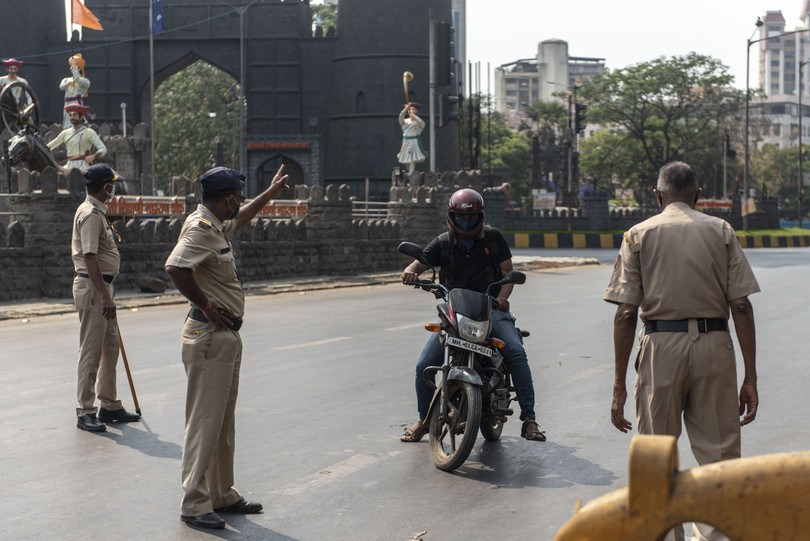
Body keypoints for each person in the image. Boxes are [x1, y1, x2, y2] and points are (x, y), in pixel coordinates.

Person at [604, 161, 760, 541]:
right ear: (698, 195)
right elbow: (740, 305)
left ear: (658, 195)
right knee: (719, 457)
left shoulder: (638, 234)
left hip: (660, 347)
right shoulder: (721, 229)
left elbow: (626, 314)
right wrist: (750, 377)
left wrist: (619, 385)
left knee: (656, 456)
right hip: (714, 345)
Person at [165, 164, 289, 530]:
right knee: (204, 421)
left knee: (222, 422)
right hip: (208, 337)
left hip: (225, 337)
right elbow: (175, 267)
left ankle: (220, 493)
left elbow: (242, 219)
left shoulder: (215, 223)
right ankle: (194, 502)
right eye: (238, 198)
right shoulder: (200, 229)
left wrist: (268, 195)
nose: (240, 204)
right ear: (227, 198)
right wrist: (205, 304)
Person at [399, 188, 545, 443]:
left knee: (515, 351)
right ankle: (424, 420)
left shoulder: (492, 238)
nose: (465, 223)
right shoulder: (443, 242)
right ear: (451, 216)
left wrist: (502, 298)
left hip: (490, 310)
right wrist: (410, 272)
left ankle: (529, 419)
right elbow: (418, 263)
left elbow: (507, 273)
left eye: (471, 218)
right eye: (460, 218)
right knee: (424, 364)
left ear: (480, 217)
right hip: (455, 313)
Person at [72, 164, 140, 433]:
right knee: (91, 349)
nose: (114, 188)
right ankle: (85, 410)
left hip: (102, 288)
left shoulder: (99, 212)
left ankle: (109, 404)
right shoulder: (90, 214)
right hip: (93, 289)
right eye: (112, 184)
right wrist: (104, 295)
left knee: (110, 346)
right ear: (105, 187)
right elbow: (89, 256)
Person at [47, 104, 106, 172]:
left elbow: (103, 149)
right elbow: (49, 147)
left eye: (74, 115)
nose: (72, 117)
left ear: (82, 116)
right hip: (68, 166)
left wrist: (92, 157)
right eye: (70, 115)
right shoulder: (65, 133)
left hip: (84, 167)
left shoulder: (89, 132)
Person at [59, 54, 91, 129]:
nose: (72, 68)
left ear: (79, 68)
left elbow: (77, 79)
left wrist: (74, 68)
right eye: (71, 66)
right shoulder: (66, 79)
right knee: (67, 123)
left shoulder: (85, 81)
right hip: (67, 104)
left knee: (77, 122)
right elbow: (61, 87)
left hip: (76, 104)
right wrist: (68, 84)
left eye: (74, 66)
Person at [396, 102, 426, 175]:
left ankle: (412, 174)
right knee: (406, 159)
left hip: (414, 141)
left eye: (413, 109)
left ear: (416, 111)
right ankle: (409, 172)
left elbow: (422, 123)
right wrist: (405, 109)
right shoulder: (405, 121)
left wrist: (414, 116)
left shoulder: (417, 121)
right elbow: (400, 118)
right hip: (406, 141)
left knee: (412, 158)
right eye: (410, 109)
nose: (411, 110)